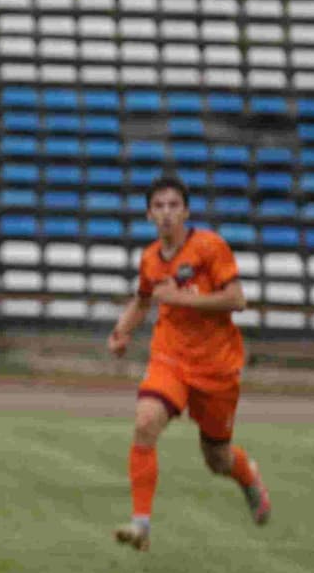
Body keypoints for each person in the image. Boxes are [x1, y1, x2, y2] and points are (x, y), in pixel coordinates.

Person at [106, 173, 270, 553]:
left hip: (217, 368)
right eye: (159, 207)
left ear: (186, 211)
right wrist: (122, 330)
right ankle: (141, 524)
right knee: (145, 422)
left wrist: (182, 300)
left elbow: (237, 300)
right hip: (170, 360)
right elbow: (144, 299)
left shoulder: (210, 247)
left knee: (217, 459)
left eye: (173, 206)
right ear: (149, 214)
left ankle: (248, 477)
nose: (166, 214)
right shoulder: (149, 258)